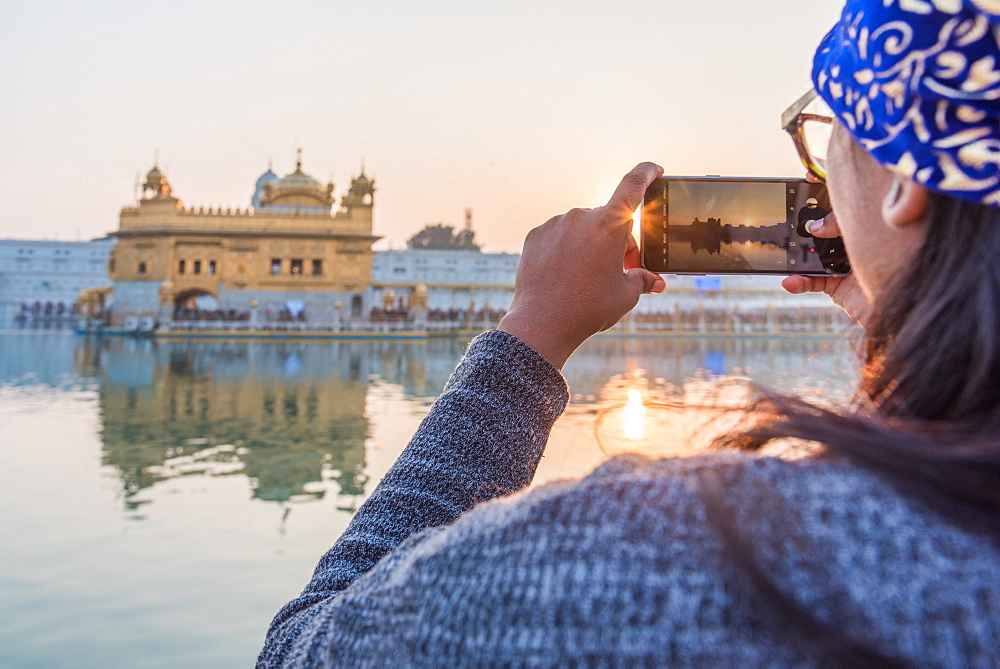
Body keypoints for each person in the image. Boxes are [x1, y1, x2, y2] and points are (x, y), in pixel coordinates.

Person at [259, 1, 1000, 666]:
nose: (819, 175)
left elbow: (305, 649)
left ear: (907, 181)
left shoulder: (680, 555)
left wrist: (528, 338)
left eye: (825, 135)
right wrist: (906, 330)